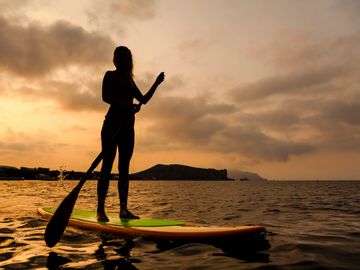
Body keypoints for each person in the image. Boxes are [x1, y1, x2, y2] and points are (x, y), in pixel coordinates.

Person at [97, 46, 165, 222]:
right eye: (118, 56)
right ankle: (100, 210)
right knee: (107, 166)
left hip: (128, 127)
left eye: (121, 57)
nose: (118, 59)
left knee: (124, 168)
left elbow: (143, 100)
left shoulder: (129, 79)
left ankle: (123, 210)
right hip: (112, 125)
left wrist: (156, 84)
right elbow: (105, 97)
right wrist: (127, 106)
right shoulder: (109, 75)